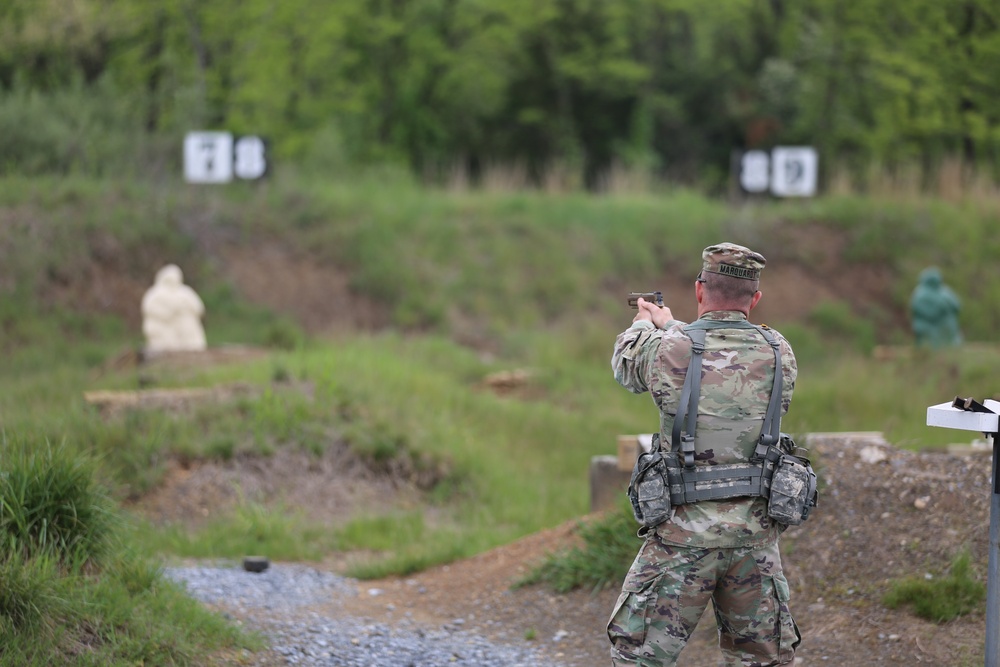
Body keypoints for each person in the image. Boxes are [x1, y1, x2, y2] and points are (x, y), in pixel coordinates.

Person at [607, 242, 800, 667]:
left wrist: (645, 323)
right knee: (760, 661)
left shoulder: (668, 349)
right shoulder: (778, 351)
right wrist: (672, 327)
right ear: (755, 298)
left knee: (640, 657)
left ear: (699, 290)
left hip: (682, 538)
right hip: (754, 538)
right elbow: (719, 357)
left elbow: (628, 363)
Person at [141, 264, 207, 353]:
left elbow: (198, 308)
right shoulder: (155, 293)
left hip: (186, 327)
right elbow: (149, 309)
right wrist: (167, 313)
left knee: (190, 337)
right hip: (163, 328)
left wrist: (184, 309)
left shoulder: (185, 292)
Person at [910, 267, 962, 348]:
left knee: (949, 323)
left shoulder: (944, 291)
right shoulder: (921, 293)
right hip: (929, 325)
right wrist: (938, 310)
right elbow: (920, 310)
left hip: (945, 325)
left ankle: (951, 344)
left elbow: (956, 305)